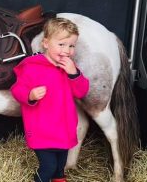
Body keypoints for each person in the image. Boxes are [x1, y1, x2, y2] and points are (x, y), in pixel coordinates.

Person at [11, 17, 89, 182]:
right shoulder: (31, 66)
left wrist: (73, 73)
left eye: (71, 46)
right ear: (46, 43)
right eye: (61, 44)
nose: (67, 51)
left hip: (64, 129)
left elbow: (81, 92)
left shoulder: (70, 68)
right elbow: (17, 90)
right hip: (42, 130)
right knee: (48, 167)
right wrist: (30, 95)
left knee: (60, 168)